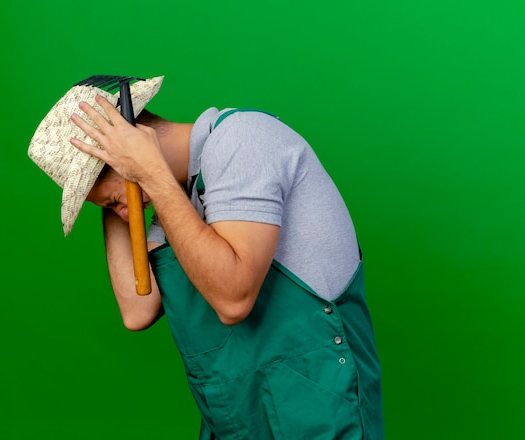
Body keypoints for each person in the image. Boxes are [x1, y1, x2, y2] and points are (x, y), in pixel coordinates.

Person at [30, 76, 384, 439]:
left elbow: (234, 298)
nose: (123, 215)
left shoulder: (243, 141)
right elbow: (138, 309)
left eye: (116, 203)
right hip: (238, 419)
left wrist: (145, 172)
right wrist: (121, 183)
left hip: (314, 412)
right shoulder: (175, 198)